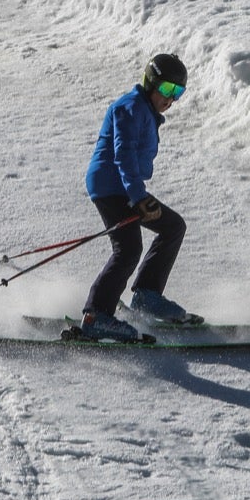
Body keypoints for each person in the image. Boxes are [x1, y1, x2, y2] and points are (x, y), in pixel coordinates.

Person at [79, 53, 203, 341]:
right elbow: (122, 154)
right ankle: (96, 315)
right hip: (111, 186)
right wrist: (137, 196)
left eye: (179, 92)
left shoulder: (145, 111)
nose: (172, 98)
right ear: (151, 83)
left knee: (173, 226)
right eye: (168, 89)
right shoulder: (130, 107)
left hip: (126, 187)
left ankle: (147, 296)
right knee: (128, 249)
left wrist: (136, 194)